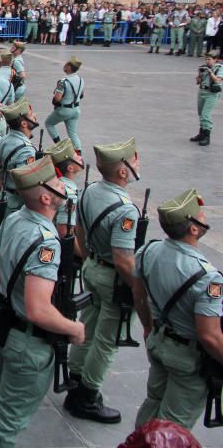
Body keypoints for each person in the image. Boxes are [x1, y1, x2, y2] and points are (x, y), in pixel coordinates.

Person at [0, 156, 86, 448]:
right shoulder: (45, 240)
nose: (63, 184)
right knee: (9, 417)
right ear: (46, 197)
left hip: (6, 324)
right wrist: (72, 328)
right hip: (27, 339)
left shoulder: (16, 217)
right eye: (57, 182)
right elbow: (38, 308)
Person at [132, 188, 223, 430]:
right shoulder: (207, 277)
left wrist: (148, 328)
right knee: (173, 427)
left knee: (152, 405)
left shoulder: (148, 251)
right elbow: (209, 335)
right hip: (187, 358)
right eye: (201, 215)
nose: (204, 217)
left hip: (159, 340)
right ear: (193, 228)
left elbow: (139, 296)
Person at [66, 138, 142, 424]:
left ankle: (75, 378)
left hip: (92, 266)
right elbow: (124, 259)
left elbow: (79, 231)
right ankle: (87, 395)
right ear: (123, 171)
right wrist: (138, 290)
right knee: (107, 340)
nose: (137, 164)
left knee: (89, 322)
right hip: (112, 275)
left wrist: (89, 259)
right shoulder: (125, 209)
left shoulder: (90, 190)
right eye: (134, 160)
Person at [44, 56, 84, 153]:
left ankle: (59, 145)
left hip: (64, 110)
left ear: (69, 67)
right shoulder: (80, 79)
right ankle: (78, 153)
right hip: (76, 109)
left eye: (66, 64)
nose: (64, 66)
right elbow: (81, 94)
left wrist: (55, 100)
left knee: (49, 123)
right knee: (72, 132)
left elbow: (58, 98)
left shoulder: (63, 82)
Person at [191, 50, 222, 146]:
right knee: (201, 113)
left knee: (206, 114)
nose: (207, 61)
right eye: (206, 59)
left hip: (211, 93)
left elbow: (217, 80)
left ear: (215, 59)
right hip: (202, 91)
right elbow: (198, 81)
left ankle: (207, 137)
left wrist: (210, 72)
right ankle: (201, 133)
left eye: (209, 59)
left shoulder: (219, 68)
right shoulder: (204, 67)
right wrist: (199, 74)